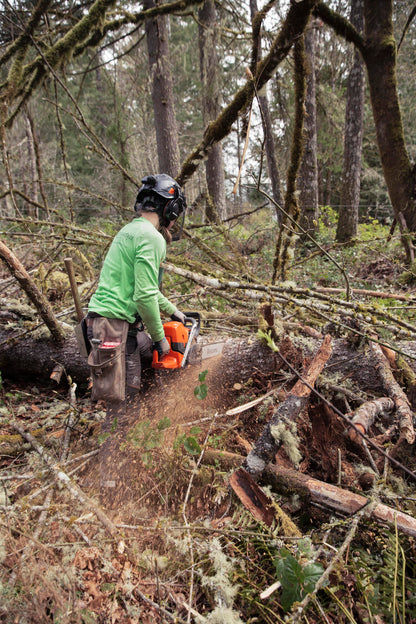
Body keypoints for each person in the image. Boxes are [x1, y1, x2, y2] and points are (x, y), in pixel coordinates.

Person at [86, 173, 187, 433]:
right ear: (170, 208)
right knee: (122, 409)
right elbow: (143, 296)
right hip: (113, 328)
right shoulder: (152, 238)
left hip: (105, 324)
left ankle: (151, 429)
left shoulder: (130, 230)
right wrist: (159, 338)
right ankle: (112, 468)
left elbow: (146, 289)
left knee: (146, 356)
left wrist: (172, 311)